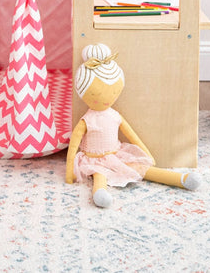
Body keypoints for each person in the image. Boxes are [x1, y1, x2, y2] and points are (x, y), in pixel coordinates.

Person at [65, 43, 202, 208]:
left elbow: (132, 135)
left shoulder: (114, 115)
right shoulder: (86, 120)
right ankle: (99, 193)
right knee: (99, 175)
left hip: (116, 154)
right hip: (94, 160)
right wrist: (69, 173)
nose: (108, 97)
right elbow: (73, 146)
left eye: (114, 92)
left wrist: (147, 154)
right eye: (95, 95)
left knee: (141, 168)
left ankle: (181, 179)